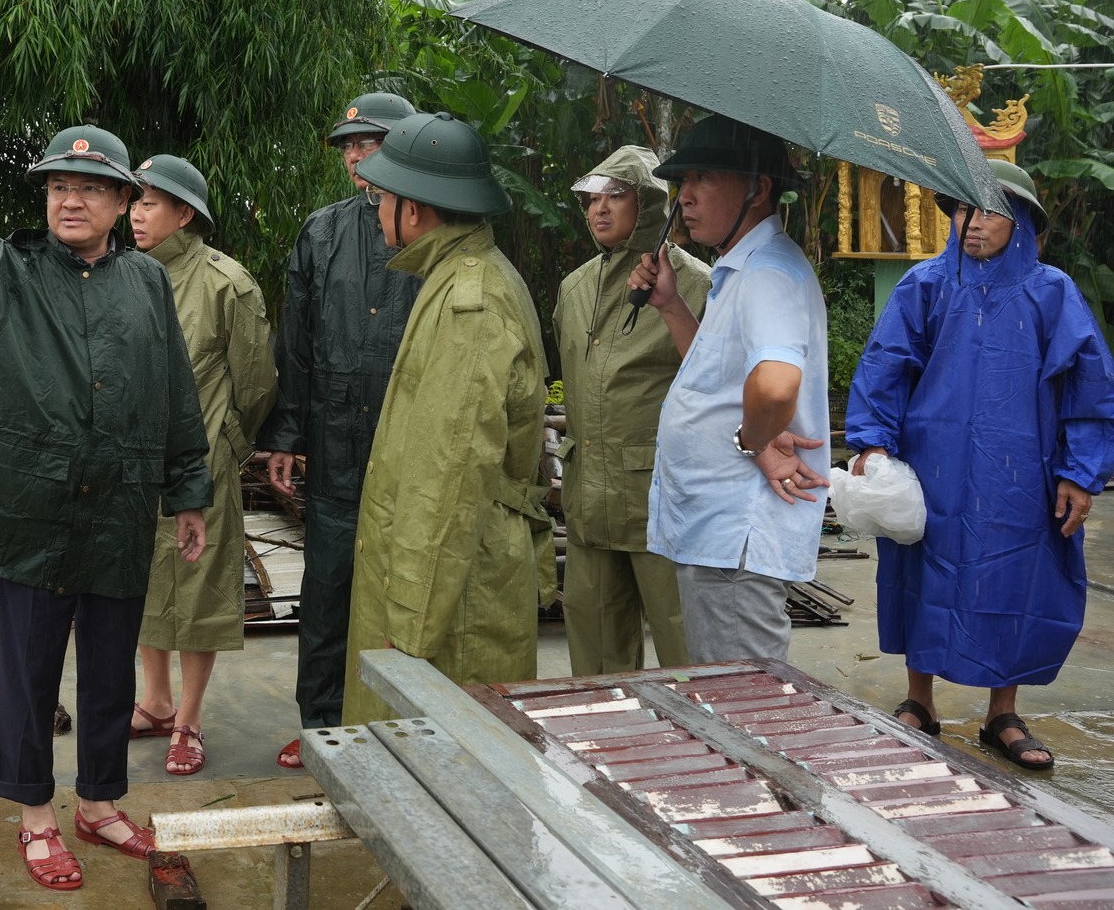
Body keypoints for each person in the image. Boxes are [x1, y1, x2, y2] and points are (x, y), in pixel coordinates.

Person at [0, 84, 212, 892]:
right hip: (32, 514)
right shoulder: (2, 271)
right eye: (59, 184)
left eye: (90, 186)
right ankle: (35, 816)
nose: (70, 198)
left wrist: (187, 488)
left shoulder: (146, 285)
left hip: (119, 510)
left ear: (124, 199)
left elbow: (174, 393)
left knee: (108, 668)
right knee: (28, 670)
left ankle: (99, 801)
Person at [845, 159, 1114, 770]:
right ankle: (921, 702)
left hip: (1021, 471)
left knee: (1016, 578)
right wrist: (873, 445)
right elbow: (885, 365)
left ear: (1020, 221)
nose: (972, 222)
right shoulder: (925, 284)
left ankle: (1002, 713)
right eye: (963, 209)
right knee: (923, 574)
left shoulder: (1053, 293)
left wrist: (1081, 472)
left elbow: (1090, 389)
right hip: (931, 467)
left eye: (989, 210)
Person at [340, 112, 548, 722]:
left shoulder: (470, 304)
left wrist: (408, 629)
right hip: (448, 583)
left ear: (416, 208)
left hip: (453, 602)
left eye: (381, 197)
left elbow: (447, 480)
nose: (374, 210)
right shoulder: (455, 277)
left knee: (439, 783)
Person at [252, 91, 423, 767]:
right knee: (326, 591)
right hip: (333, 445)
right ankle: (322, 724)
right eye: (349, 146)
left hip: (405, 447)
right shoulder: (321, 233)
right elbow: (295, 344)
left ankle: (398, 724)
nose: (355, 154)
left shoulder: (432, 232)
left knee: (403, 590)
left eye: (369, 141)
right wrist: (286, 435)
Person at [628, 114, 829, 665]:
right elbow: (722, 379)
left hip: (735, 537)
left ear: (759, 189)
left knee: (744, 711)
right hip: (716, 532)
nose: (685, 196)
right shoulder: (740, 271)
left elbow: (776, 384)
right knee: (730, 699)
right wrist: (671, 305)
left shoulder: (768, 274)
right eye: (683, 182)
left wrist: (755, 442)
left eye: (704, 179)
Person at [128, 154, 279, 777]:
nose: (136, 213)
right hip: (134, 465)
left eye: (149, 203)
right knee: (140, 586)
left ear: (184, 213)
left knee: (198, 589)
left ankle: (187, 720)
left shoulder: (227, 283)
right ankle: (154, 701)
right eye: (133, 202)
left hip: (203, 464)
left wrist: (228, 447)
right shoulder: (122, 274)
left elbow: (257, 382)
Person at [554, 146, 709, 675]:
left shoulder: (696, 283)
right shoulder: (574, 289)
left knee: (684, 646)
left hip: (661, 500)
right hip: (589, 495)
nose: (599, 208)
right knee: (594, 652)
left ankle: (702, 753)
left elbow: (715, 388)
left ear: (646, 203)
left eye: (615, 196)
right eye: (591, 199)